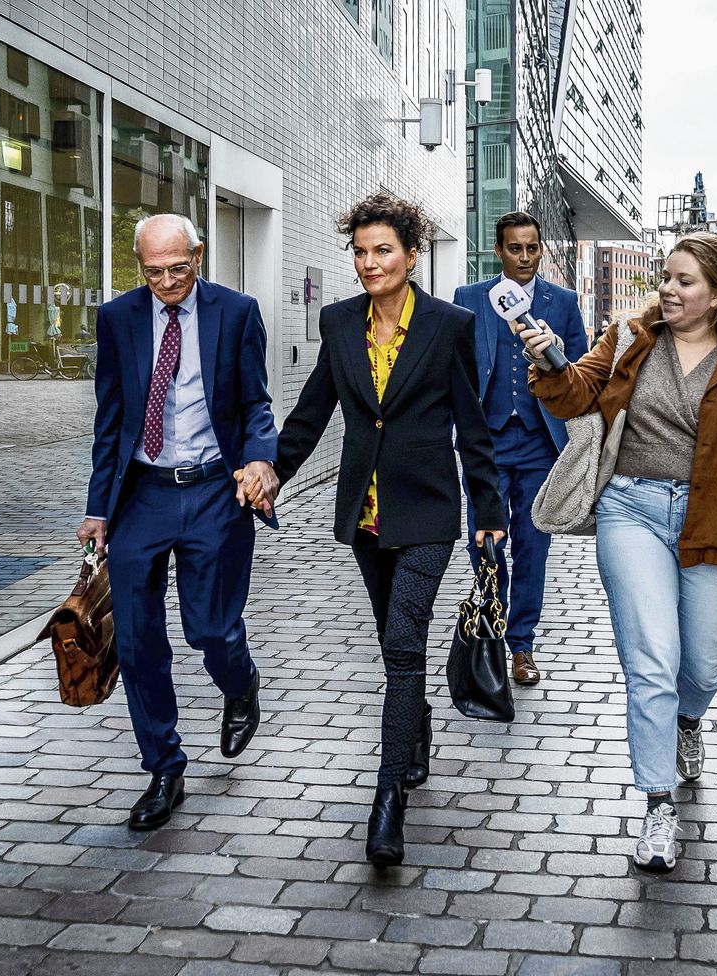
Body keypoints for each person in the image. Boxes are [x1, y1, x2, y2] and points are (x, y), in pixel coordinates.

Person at [523, 231, 717, 873]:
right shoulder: (631, 338)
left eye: (685, 281)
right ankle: (658, 805)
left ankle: (689, 720)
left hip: (710, 517)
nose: (669, 289)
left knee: (703, 665)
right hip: (628, 509)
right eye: (665, 277)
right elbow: (577, 394)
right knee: (652, 657)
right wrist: (550, 361)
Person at [240, 192, 506, 867]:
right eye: (360, 252)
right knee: (396, 641)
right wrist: (275, 470)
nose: (369, 263)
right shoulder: (338, 323)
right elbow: (311, 412)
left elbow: (473, 428)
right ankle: (412, 727)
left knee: (401, 640)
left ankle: (388, 800)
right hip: (365, 512)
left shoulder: (450, 326)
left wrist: (490, 513)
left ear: (412, 256)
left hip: (427, 511)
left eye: (382, 250)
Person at [78, 213, 277, 832]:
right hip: (143, 494)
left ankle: (239, 681)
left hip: (215, 491)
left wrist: (260, 460)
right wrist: (97, 506)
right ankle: (164, 766)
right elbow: (110, 419)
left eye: (178, 267)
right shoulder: (118, 319)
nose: (166, 281)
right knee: (136, 641)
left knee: (211, 628)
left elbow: (255, 403)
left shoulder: (237, 312)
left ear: (199, 253)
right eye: (153, 270)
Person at [452, 211, 588, 687]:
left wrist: (553, 355)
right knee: (486, 546)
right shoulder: (470, 299)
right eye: (516, 248)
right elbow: (459, 371)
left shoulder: (563, 302)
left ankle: (522, 646)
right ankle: (494, 625)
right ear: (499, 250)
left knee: (533, 549)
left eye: (532, 248)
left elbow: (581, 373)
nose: (526, 257)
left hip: (538, 445)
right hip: (485, 444)